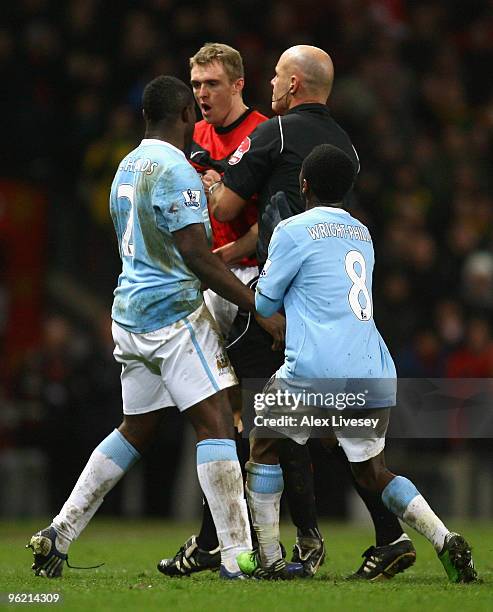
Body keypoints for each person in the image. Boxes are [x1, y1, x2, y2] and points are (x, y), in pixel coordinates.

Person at [25, 75, 279, 580]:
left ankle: (60, 530)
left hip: (128, 318)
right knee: (216, 426)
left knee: (136, 428)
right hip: (172, 317)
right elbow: (197, 258)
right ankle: (236, 557)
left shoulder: (125, 166)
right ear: (185, 114)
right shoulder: (177, 172)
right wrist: (257, 306)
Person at [206, 45, 416, 579]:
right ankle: (402, 535)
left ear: (294, 85)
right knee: (336, 440)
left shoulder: (271, 134)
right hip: (342, 317)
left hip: (275, 291)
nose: (270, 85)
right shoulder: (347, 149)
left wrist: (209, 186)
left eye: (276, 76)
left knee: (258, 425)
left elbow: (228, 208)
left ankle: (274, 549)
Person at [236, 143, 477, 584]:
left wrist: (271, 255)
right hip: (371, 369)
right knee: (372, 471)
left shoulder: (292, 229)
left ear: (303, 184)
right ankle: (444, 538)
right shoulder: (362, 233)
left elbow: (267, 301)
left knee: (263, 441)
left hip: (314, 370)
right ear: (347, 190)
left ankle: (269, 557)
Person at [158, 42, 324, 579]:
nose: (202, 94)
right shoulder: (194, 137)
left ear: (238, 85)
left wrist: (229, 249)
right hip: (212, 283)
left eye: (211, 84)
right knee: (217, 414)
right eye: (196, 84)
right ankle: (223, 539)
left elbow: (273, 216)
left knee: (266, 413)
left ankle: (303, 535)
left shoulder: (262, 132)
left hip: (254, 280)